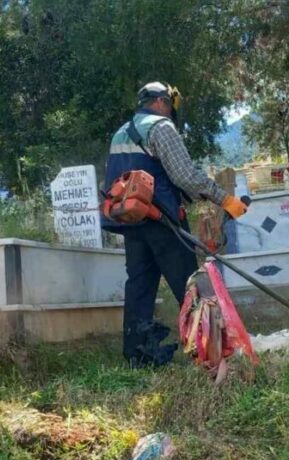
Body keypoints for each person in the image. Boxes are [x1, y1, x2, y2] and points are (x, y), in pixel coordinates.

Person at [102, 81, 249, 367]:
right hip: (161, 220)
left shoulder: (121, 132)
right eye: (169, 105)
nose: (170, 111)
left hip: (132, 220)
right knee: (191, 284)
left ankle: (138, 357)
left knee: (140, 286)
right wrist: (225, 200)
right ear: (160, 102)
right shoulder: (161, 128)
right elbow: (185, 176)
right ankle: (212, 351)